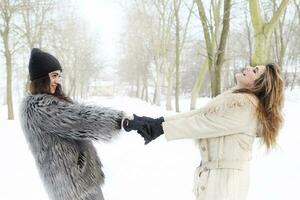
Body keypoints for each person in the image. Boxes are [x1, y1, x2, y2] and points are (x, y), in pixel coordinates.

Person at [123, 63, 284, 200]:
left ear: (259, 84)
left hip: (226, 185)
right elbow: (199, 115)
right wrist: (157, 122)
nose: (248, 68)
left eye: (255, 71)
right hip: (217, 179)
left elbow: (203, 123)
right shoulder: (235, 100)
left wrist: (160, 128)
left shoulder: (245, 107)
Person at [20, 48, 126, 200]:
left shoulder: (49, 102)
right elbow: (80, 119)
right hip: (73, 188)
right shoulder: (38, 108)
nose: (57, 80)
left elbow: (77, 113)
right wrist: (119, 121)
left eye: (59, 76)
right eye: (54, 75)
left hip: (79, 183)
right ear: (42, 77)